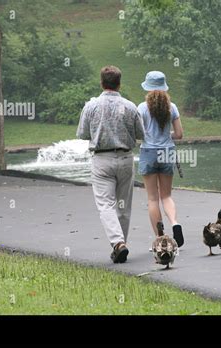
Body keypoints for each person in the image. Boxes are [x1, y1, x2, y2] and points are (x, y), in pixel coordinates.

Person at [77, 66, 144, 263]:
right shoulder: (130, 107)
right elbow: (141, 134)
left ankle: (117, 243)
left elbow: (82, 133)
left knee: (105, 204)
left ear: (102, 83)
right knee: (123, 205)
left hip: (102, 159)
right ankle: (121, 243)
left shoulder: (91, 106)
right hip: (124, 158)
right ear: (119, 83)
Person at [138, 71, 184, 247]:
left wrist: (149, 136)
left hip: (148, 152)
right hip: (167, 152)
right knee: (166, 196)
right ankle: (175, 223)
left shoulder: (141, 108)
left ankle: (160, 238)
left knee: (152, 198)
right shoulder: (172, 107)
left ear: (148, 88)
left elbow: (138, 134)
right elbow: (179, 134)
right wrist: (166, 135)